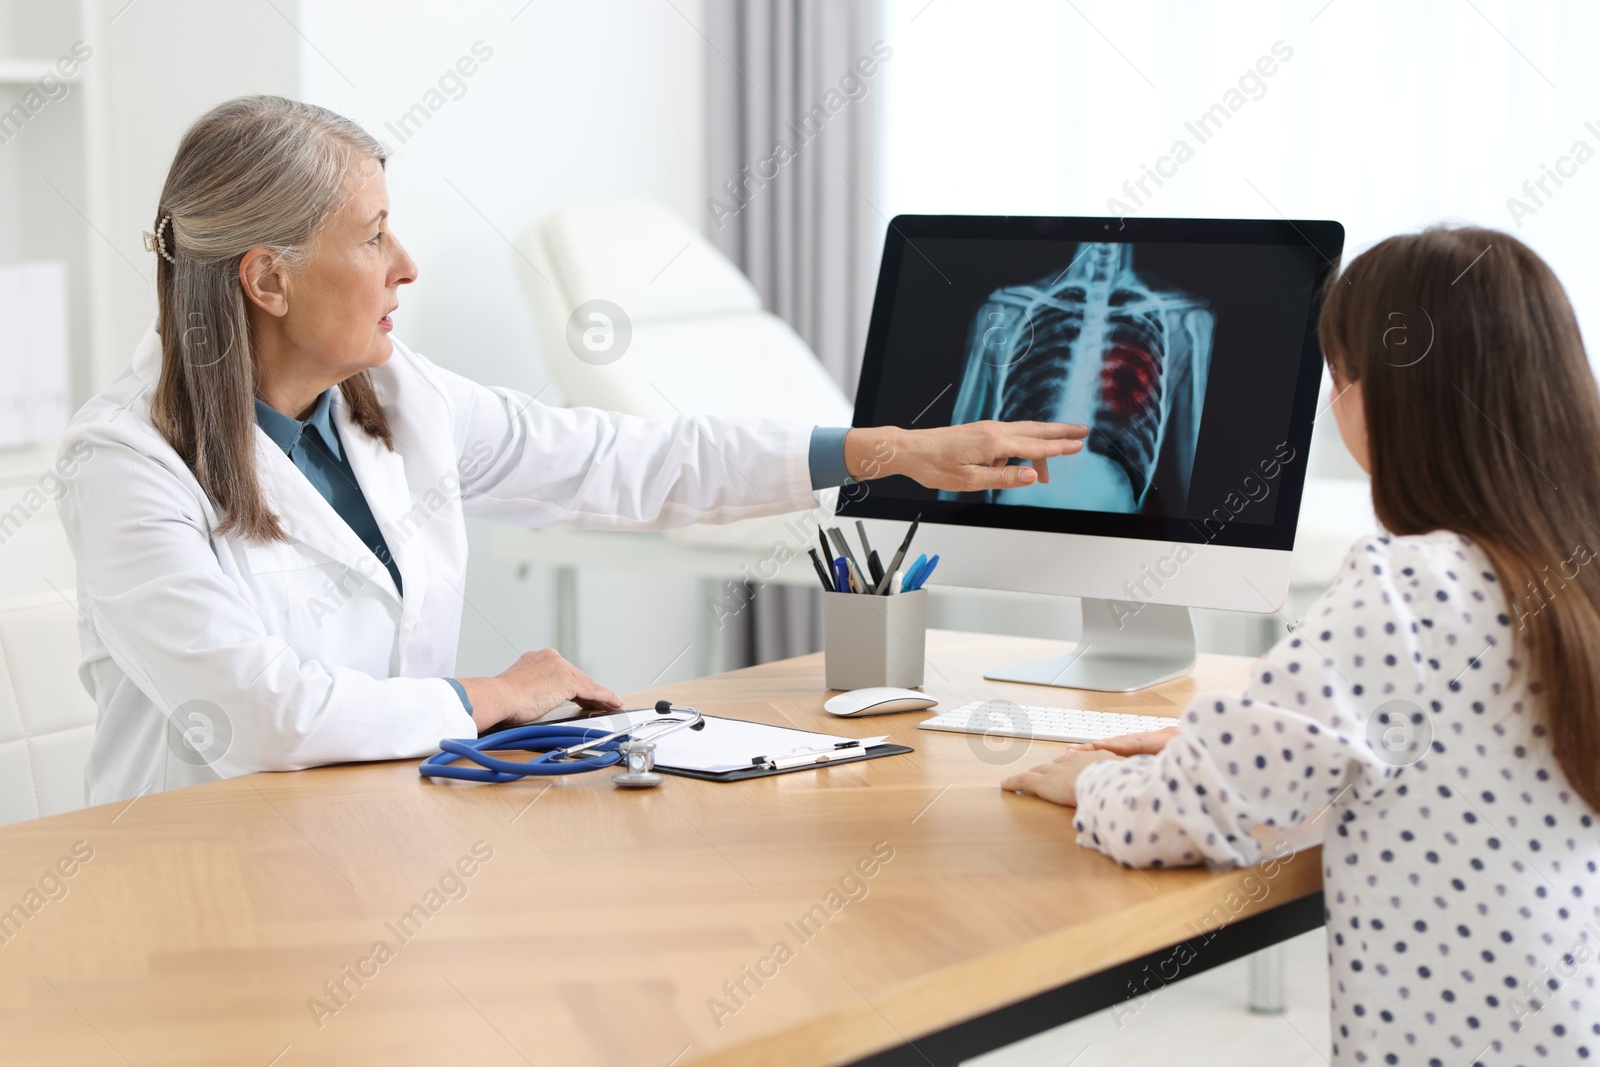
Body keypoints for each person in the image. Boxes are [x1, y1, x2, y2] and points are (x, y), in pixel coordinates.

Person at [59, 96, 1090, 806]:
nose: (406, 265)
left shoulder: (396, 398)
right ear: (266, 280)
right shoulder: (126, 465)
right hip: (192, 881)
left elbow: (626, 461)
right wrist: (492, 695)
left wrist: (882, 449)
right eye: (373, 236)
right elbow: (257, 714)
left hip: (372, 828)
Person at [1003, 226, 1600, 1065]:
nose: (1330, 402)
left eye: (1339, 375)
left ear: (1384, 397)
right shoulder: (1572, 577)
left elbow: (1190, 814)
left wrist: (1095, 777)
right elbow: (1449, 752)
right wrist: (1228, 746)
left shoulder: (1405, 588)